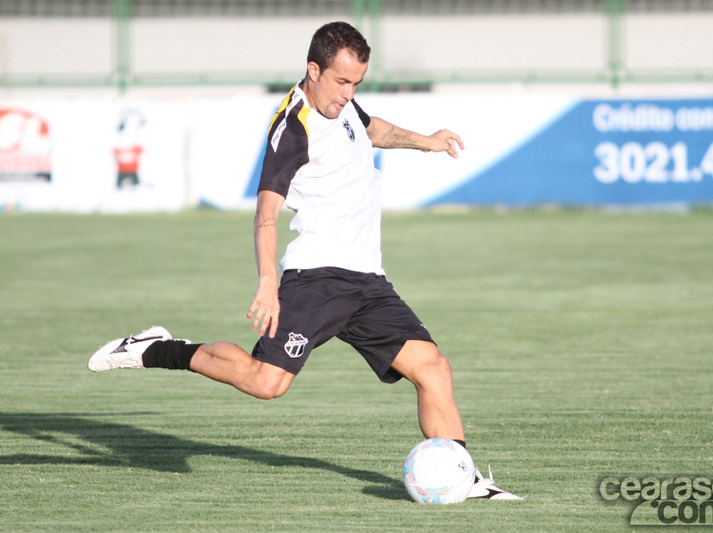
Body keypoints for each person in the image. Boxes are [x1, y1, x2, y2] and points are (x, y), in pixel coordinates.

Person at [88, 21, 520, 500]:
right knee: (266, 383)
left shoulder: (342, 103)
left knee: (432, 367)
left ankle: (461, 476)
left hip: (367, 282)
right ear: (313, 70)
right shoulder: (292, 130)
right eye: (341, 82)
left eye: (357, 83)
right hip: (316, 278)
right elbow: (266, 213)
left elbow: (370, 127)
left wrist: (428, 141)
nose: (348, 93)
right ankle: (158, 349)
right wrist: (268, 281)